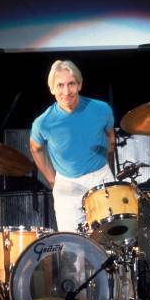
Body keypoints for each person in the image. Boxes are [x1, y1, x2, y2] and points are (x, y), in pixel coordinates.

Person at [30, 60, 116, 233]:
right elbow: (36, 148)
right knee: (73, 247)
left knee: (109, 241)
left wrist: (108, 170)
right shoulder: (43, 122)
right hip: (67, 183)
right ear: (52, 89)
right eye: (60, 85)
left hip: (100, 177)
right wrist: (52, 179)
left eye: (71, 84)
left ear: (80, 84)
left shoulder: (101, 109)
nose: (66, 91)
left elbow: (110, 139)